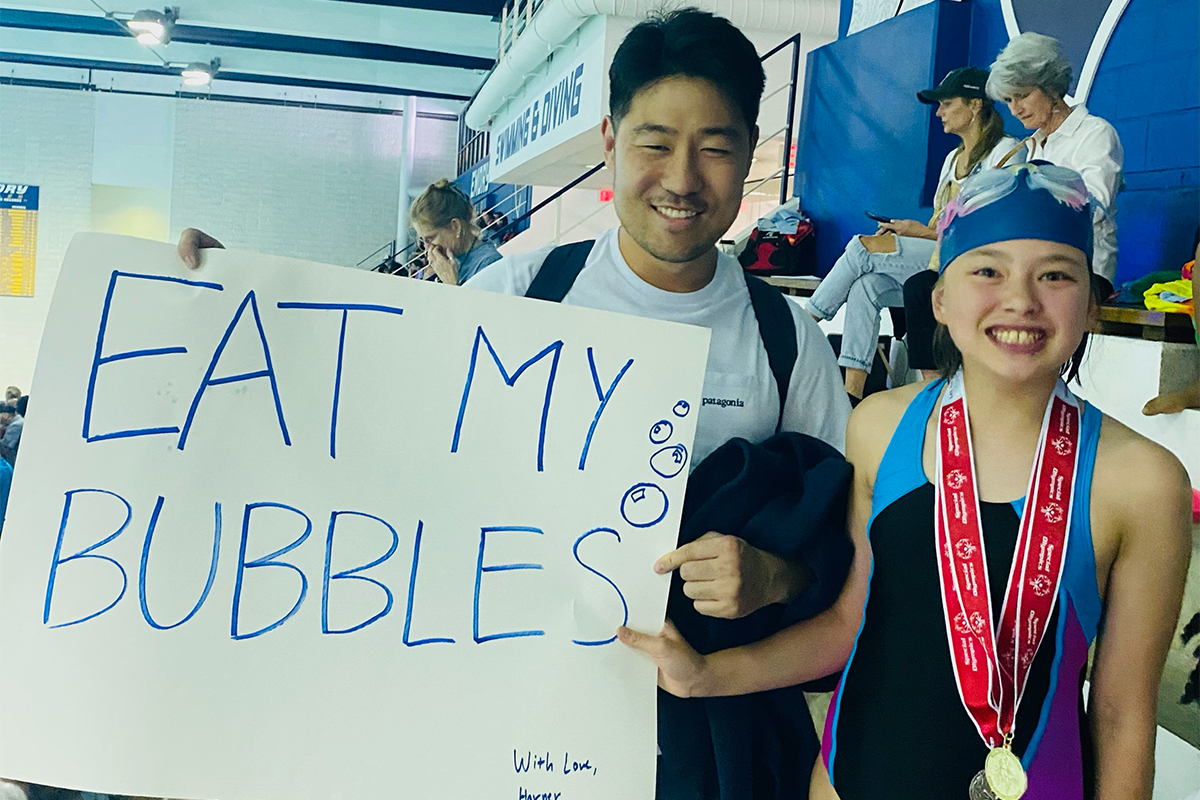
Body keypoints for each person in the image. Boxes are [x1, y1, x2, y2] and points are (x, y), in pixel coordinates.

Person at [182, 9, 850, 798]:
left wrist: (769, 576)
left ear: (747, 156)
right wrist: (243, 311)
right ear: (610, 141)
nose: (681, 178)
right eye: (655, 143)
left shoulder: (787, 343)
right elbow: (362, 439)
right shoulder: (520, 296)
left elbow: (836, 561)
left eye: (714, 146)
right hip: (514, 723)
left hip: (704, 748)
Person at [621, 163, 1192, 800]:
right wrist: (704, 676)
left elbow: (1121, 714)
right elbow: (849, 624)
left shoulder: (1142, 482)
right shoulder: (880, 428)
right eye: (987, 270)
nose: (1021, 300)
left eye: (1056, 274)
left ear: (1090, 304)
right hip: (846, 783)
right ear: (940, 298)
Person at [806, 66, 1025, 401]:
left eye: (947, 103)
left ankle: (806, 322)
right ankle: (851, 395)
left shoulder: (1008, 153)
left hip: (976, 261)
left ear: (975, 105)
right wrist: (915, 230)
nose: (939, 112)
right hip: (942, 255)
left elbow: (993, 227)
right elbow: (942, 228)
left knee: (862, 247)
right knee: (866, 288)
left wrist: (921, 234)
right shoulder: (952, 158)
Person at [988, 32, 1124, 287]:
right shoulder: (1034, 146)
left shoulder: (1095, 133)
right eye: (1008, 100)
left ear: (1051, 88)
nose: (1015, 109)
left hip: (1085, 272)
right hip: (1034, 269)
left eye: (1023, 95)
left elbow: (1094, 208)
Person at [409, 178, 502, 285]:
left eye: (431, 238)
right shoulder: (451, 260)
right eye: (423, 240)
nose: (427, 248)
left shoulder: (490, 265)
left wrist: (451, 283)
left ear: (455, 226)